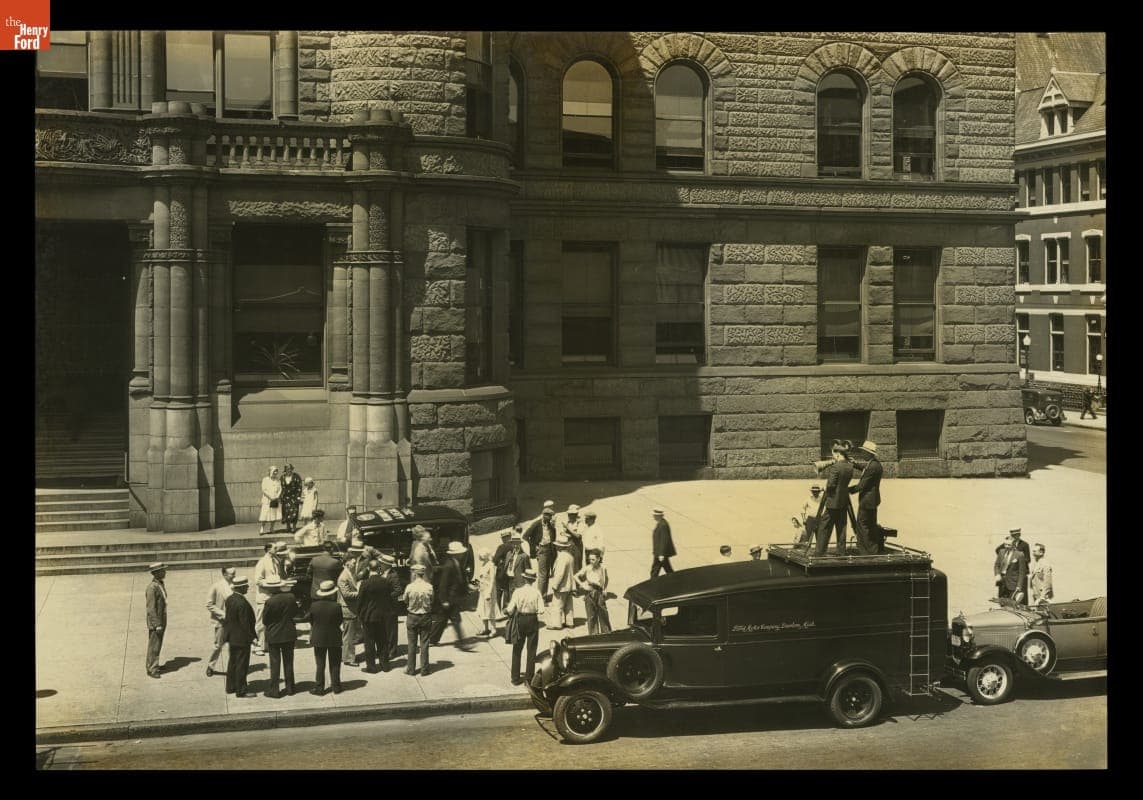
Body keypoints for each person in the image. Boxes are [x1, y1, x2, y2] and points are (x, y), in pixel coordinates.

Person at [358, 555, 403, 673]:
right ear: (378, 569)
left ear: (368, 569)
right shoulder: (385, 582)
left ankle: (371, 667)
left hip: (368, 617)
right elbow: (388, 597)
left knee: (369, 642)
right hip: (383, 616)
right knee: (382, 641)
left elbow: (360, 601)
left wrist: (360, 615)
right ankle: (385, 665)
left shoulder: (365, 584)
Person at [506, 568, 545, 685]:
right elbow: (541, 610)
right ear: (533, 580)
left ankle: (515, 677)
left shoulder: (517, 592)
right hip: (532, 620)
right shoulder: (537, 592)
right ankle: (529, 677)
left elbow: (510, 609)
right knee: (531, 650)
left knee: (517, 649)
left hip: (520, 619)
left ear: (524, 579)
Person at [430, 541, 472, 649]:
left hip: (453, 598)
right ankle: (462, 643)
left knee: (442, 620)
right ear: (455, 554)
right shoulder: (449, 566)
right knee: (453, 620)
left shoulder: (457, 563)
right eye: (460, 553)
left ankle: (432, 639)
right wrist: (444, 600)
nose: (462, 554)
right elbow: (443, 585)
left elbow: (459, 580)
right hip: (448, 598)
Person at [261, 578, 298, 698]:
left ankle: (275, 690)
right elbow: (295, 613)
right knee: (289, 662)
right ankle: (290, 688)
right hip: (289, 633)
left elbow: (265, 620)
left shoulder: (269, 602)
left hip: (274, 635)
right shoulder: (291, 597)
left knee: (275, 663)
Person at [815, 440, 854, 556]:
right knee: (841, 528)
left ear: (837, 454)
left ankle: (820, 552)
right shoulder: (849, 466)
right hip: (844, 501)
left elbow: (831, 485)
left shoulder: (835, 467)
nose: (833, 457)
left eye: (833, 455)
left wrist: (825, 488)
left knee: (824, 527)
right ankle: (841, 552)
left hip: (832, 502)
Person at [221, 576, 256, 698]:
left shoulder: (230, 599)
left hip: (232, 637)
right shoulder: (242, 603)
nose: (248, 588)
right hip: (242, 638)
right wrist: (253, 637)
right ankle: (241, 690)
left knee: (233, 662)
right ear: (240, 588)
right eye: (246, 586)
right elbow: (245, 623)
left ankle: (230, 686)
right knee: (242, 664)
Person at [309, 579, 344, 695]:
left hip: (318, 637)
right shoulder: (336, 606)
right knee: (335, 663)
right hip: (334, 636)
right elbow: (339, 621)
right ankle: (336, 686)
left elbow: (311, 621)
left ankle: (319, 687)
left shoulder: (314, 606)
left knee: (320, 664)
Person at [849, 440, 884, 555]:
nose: (862, 454)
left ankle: (865, 551)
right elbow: (865, 468)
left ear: (869, 454)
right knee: (870, 524)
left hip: (867, 501)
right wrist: (855, 464)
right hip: (872, 500)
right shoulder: (874, 464)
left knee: (862, 525)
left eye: (863, 452)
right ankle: (873, 550)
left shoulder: (872, 466)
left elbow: (862, 485)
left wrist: (847, 490)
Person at [254, 541, 289, 655]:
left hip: (273, 595)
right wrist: (270, 584)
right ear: (268, 549)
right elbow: (258, 580)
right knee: (261, 622)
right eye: (274, 548)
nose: (276, 549)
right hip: (264, 596)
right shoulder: (262, 562)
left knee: (271, 621)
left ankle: (267, 644)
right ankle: (259, 645)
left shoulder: (275, 560)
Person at [401, 563, 435, 676]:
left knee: (412, 644)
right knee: (424, 643)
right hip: (425, 616)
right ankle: (424, 669)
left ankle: (411, 669)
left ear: (415, 573)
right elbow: (432, 600)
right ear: (423, 573)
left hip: (412, 616)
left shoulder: (409, 587)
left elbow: (405, 600)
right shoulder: (429, 587)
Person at [205, 566, 236, 677]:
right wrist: (223, 615)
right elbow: (209, 604)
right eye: (231, 574)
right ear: (224, 574)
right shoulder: (216, 586)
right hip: (221, 621)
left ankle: (233, 667)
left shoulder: (236, 585)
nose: (234, 576)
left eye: (234, 573)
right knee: (218, 645)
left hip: (234, 622)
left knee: (233, 645)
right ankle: (210, 666)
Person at [337, 543, 364, 667]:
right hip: (348, 610)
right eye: (353, 562)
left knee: (352, 634)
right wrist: (359, 593)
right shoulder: (343, 577)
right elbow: (347, 594)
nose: (355, 564)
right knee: (348, 636)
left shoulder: (349, 573)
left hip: (352, 609)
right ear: (347, 563)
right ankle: (348, 658)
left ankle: (348, 656)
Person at [525, 501, 559, 598]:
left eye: (551, 516)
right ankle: (540, 597)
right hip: (542, 550)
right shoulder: (536, 524)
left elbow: (553, 537)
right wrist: (534, 546)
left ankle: (543, 595)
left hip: (550, 550)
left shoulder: (550, 526)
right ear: (544, 515)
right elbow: (525, 536)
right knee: (543, 575)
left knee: (547, 574)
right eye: (549, 516)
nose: (551, 518)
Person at [574, 550, 611, 635]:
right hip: (590, 593)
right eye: (590, 559)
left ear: (598, 559)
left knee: (603, 613)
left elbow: (607, 578)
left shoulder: (603, 568)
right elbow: (575, 576)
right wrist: (583, 585)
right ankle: (593, 634)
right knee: (591, 615)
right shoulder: (587, 568)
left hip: (599, 592)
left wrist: (605, 588)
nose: (591, 561)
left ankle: (606, 633)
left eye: (593, 559)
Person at [547, 534, 576, 629]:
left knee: (557, 605)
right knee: (568, 605)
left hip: (562, 586)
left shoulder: (561, 558)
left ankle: (557, 624)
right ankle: (569, 622)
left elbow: (560, 574)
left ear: (559, 547)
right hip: (570, 585)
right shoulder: (570, 557)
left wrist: (555, 585)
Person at [144, 562, 168, 678]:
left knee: (157, 644)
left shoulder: (160, 584)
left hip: (161, 619)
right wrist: (157, 624)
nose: (165, 572)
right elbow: (150, 609)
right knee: (154, 645)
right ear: (156, 573)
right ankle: (152, 669)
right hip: (156, 622)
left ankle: (154, 664)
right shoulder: (152, 588)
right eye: (163, 570)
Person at [994, 528, 1031, 600]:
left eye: (1016, 535)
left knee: (1015, 600)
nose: (1006, 547)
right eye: (1005, 545)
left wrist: (1017, 561)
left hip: (1014, 577)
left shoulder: (1023, 546)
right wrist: (998, 572)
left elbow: (1026, 563)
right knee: (1002, 600)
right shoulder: (1002, 551)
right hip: (1003, 580)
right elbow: (997, 563)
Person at [492, 527, 516, 613]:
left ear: (505, 537)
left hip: (502, 572)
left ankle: (497, 610)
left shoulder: (502, 547)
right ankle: (505, 608)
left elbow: (494, 560)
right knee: (507, 590)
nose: (502, 539)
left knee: (498, 591)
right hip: (512, 571)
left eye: (503, 538)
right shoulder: (515, 545)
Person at [475, 549, 498, 637]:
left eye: (481, 556)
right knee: (482, 609)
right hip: (482, 589)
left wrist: (489, 592)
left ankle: (493, 629)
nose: (479, 558)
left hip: (489, 590)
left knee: (490, 610)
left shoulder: (491, 565)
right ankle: (485, 628)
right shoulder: (483, 565)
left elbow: (492, 580)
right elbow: (481, 577)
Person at [651, 507, 676, 577]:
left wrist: (661, 554)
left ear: (659, 516)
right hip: (659, 552)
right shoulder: (661, 523)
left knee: (655, 570)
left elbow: (664, 540)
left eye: (655, 515)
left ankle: (652, 583)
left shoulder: (663, 525)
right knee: (667, 569)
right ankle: (675, 579)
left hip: (660, 553)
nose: (653, 517)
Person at [560, 504, 585, 573]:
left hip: (577, 546)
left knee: (576, 565)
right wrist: (564, 533)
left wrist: (568, 528)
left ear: (576, 515)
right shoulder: (568, 522)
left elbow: (578, 536)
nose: (569, 516)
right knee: (569, 564)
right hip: (569, 545)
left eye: (571, 514)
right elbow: (564, 533)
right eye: (569, 514)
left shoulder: (580, 523)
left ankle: (577, 582)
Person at [279, 463, 302, 534]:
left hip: (294, 497)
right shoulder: (282, 477)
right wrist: (280, 496)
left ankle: (294, 526)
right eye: (287, 469)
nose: (289, 470)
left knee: (294, 511)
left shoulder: (296, 476)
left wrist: (298, 496)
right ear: (285, 470)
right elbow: (280, 487)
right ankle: (288, 526)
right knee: (286, 512)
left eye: (290, 469)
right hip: (285, 497)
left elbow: (299, 487)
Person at [259, 466, 283, 535]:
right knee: (265, 514)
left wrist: (277, 496)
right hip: (267, 500)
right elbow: (263, 489)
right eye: (274, 471)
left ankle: (272, 528)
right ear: (270, 472)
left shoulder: (278, 480)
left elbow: (280, 489)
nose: (275, 473)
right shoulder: (265, 479)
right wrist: (270, 497)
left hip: (275, 500)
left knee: (274, 514)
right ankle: (262, 528)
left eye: (276, 471)